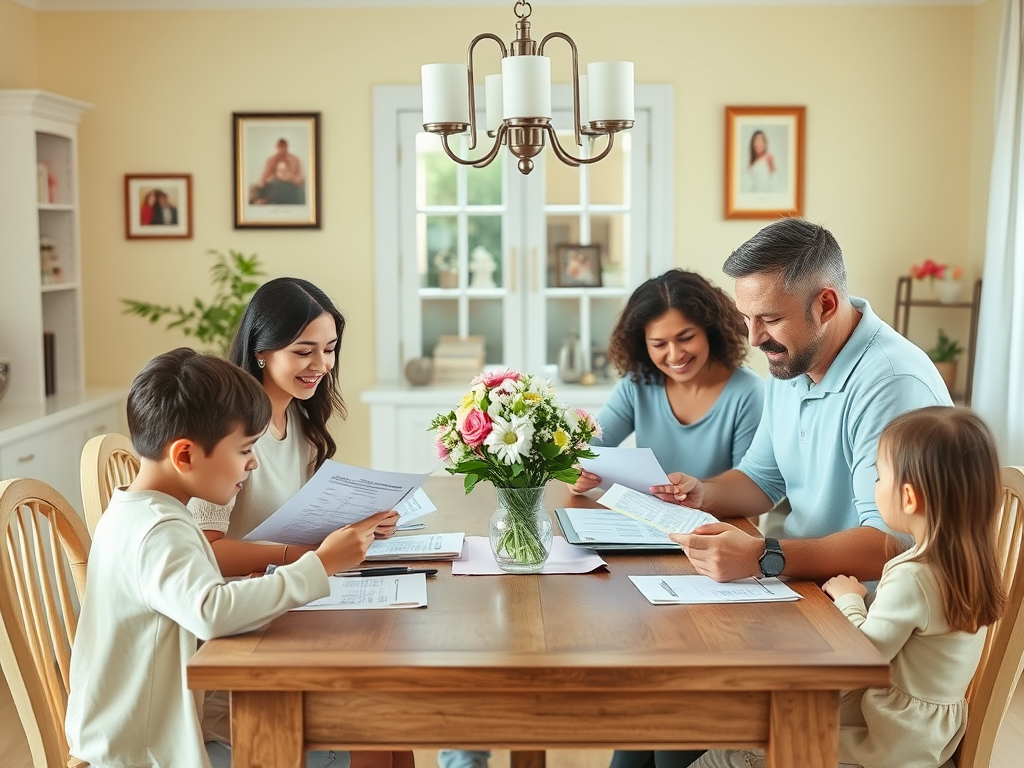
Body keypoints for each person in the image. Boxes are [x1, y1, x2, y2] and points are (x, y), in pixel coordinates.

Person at [64, 348, 391, 768]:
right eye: (244, 450)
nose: (253, 462)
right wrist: (321, 564)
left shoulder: (136, 510)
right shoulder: (160, 531)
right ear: (185, 456)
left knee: (361, 737)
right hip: (150, 754)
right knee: (355, 743)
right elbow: (211, 611)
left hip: (140, 739)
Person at [693, 406, 1006, 768]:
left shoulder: (914, 576)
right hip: (928, 733)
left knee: (732, 752)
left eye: (878, 477)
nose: (874, 487)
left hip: (889, 742)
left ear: (908, 498)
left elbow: (862, 659)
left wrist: (850, 600)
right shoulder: (971, 563)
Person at [656, 218, 952, 587]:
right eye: (747, 318)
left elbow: (894, 544)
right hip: (805, 585)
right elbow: (761, 479)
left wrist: (763, 556)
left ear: (826, 305)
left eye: (771, 319)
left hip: (870, 608)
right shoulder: (792, 360)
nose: (754, 338)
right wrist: (703, 493)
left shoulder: (892, 382)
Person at [188, 278, 403, 768]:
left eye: (329, 350)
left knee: (390, 718)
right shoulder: (230, 431)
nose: (322, 366)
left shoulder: (302, 422)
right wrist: (310, 557)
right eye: (304, 351)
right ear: (262, 351)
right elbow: (206, 550)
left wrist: (360, 522)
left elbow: (297, 518)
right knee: (378, 717)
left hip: (289, 602)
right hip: (240, 627)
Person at [570, 268, 764, 493]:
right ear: (642, 344)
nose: (674, 355)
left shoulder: (749, 392)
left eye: (686, 338)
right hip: (646, 519)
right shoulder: (637, 384)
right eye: (659, 344)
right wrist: (576, 476)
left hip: (716, 523)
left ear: (710, 330)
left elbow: (751, 490)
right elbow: (590, 449)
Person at [252, 137, 304, 204]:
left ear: (287, 147)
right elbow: (265, 175)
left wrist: (289, 178)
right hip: (275, 184)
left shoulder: (294, 160)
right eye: (279, 146)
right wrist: (262, 182)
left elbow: (299, 178)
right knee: (261, 188)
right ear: (276, 147)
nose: (281, 149)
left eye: (283, 146)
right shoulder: (271, 160)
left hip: (291, 185)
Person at [741, 130, 777, 194]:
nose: (758, 144)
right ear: (753, 144)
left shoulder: (768, 158)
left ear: (765, 143)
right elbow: (748, 180)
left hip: (765, 195)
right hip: (753, 194)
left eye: (760, 141)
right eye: (756, 141)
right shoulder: (751, 161)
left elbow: (774, 179)